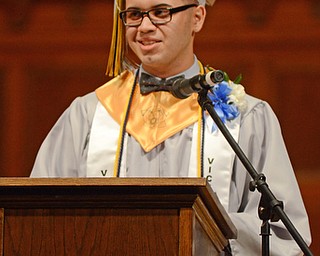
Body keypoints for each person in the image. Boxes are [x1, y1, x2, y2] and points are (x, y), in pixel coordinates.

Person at [30, 0, 312, 255]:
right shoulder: (87, 115)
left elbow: (281, 234)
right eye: (135, 14)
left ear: (198, 18)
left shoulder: (246, 117)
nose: (145, 27)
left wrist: (200, 230)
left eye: (160, 13)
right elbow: (37, 220)